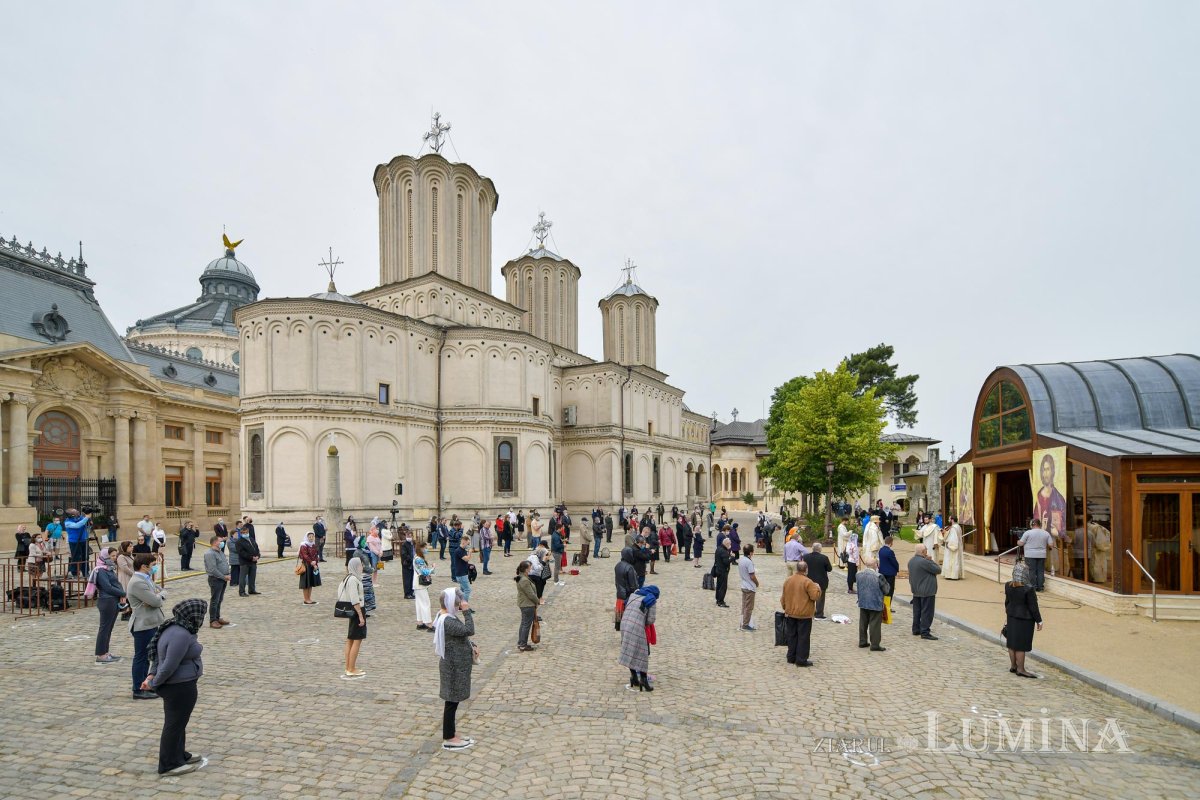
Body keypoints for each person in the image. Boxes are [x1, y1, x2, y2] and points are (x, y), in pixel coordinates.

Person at [142, 598, 207, 775]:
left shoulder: (173, 627)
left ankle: (179, 754)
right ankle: (169, 764)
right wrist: (155, 682)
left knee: (179, 722)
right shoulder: (181, 634)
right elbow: (169, 663)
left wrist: (151, 675)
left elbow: (156, 656)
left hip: (180, 683)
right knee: (174, 724)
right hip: (179, 685)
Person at [435, 587, 476, 750]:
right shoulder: (448, 621)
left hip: (455, 665)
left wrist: (471, 646)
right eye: (458, 603)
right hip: (452, 667)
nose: (460, 605)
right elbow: (469, 630)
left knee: (453, 702)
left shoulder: (446, 616)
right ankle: (449, 737)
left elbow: (460, 637)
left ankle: (451, 733)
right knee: (451, 702)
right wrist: (467, 612)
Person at [127, 553, 167, 700]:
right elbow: (156, 600)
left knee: (147, 657)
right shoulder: (138, 582)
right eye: (152, 565)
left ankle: (145, 684)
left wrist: (157, 595)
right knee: (141, 657)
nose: (154, 567)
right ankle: (138, 688)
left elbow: (157, 593)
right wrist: (160, 595)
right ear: (144, 566)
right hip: (142, 625)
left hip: (150, 622)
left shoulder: (146, 579)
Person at [1004, 561, 1043, 678]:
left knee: (1011, 643)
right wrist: (1039, 620)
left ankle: (1013, 666)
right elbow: (1033, 607)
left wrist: (1008, 613)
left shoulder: (1007, 585)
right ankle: (1021, 669)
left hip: (1011, 616)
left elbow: (1007, 602)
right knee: (1021, 645)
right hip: (1024, 619)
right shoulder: (1028, 589)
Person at [780, 561, 822, 666]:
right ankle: (801, 659)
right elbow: (815, 597)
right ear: (806, 570)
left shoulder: (788, 580)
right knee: (803, 637)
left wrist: (786, 608)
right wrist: (818, 588)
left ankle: (791, 657)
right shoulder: (808, 582)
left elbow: (783, 597)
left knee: (792, 636)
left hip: (791, 613)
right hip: (804, 614)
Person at [618, 585, 659, 691]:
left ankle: (634, 678)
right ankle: (644, 681)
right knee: (642, 653)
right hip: (636, 626)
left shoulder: (634, 595)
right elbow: (650, 620)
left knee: (630, 650)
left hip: (625, 624)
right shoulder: (651, 600)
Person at [89, 548, 125, 664]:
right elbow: (107, 587)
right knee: (104, 628)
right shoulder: (100, 571)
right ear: (105, 557)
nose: (114, 558)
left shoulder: (109, 568)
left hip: (113, 601)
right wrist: (123, 593)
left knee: (109, 628)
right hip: (107, 601)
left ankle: (105, 652)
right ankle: (100, 654)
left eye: (115, 555)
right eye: (112, 556)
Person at [338, 558, 367, 678]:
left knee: (350, 639)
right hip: (357, 610)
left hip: (352, 611)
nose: (362, 567)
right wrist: (361, 616)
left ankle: (348, 666)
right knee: (357, 640)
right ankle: (351, 668)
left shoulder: (347, 578)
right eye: (360, 565)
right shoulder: (353, 579)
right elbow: (355, 599)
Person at [908, 544, 942, 640]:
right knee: (927, 612)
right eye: (926, 550)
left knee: (917, 611)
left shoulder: (911, 561)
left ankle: (916, 629)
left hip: (916, 590)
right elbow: (938, 570)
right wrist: (930, 560)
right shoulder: (925, 562)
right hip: (927, 591)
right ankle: (925, 631)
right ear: (923, 552)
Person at [856, 556, 889, 652]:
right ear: (875, 565)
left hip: (863, 601)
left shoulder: (858, 574)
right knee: (874, 624)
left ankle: (862, 641)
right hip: (875, 602)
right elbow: (886, 590)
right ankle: (875, 644)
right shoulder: (878, 576)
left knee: (863, 623)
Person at [1017, 519, 1055, 592]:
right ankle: (1040, 587)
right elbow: (1051, 545)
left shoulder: (1027, 533)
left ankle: (1033, 587)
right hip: (1042, 555)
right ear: (1040, 524)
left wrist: (1018, 542)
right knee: (1040, 571)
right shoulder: (1046, 533)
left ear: (1032, 524)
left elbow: (1021, 543)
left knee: (1031, 571)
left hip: (1030, 555)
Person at [203, 535, 230, 629]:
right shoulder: (209, 554)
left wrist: (227, 574)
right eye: (220, 541)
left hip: (223, 579)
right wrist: (223, 576)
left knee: (219, 599)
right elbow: (212, 569)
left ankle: (217, 618)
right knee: (215, 600)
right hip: (216, 579)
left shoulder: (220, 552)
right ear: (214, 542)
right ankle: (213, 620)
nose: (222, 542)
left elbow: (224, 563)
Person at [515, 561, 541, 651]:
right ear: (526, 569)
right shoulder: (524, 580)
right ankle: (522, 644)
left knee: (524, 624)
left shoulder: (522, 577)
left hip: (525, 604)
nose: (531, 568)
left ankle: (521, 642)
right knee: (526, 625)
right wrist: (538, 601)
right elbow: (530, 594)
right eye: (530, 567)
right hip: (527, 604)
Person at [802, 543, 833, 619]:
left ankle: (808, 612)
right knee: (820, 598)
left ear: (812, 548)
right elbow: (829, 569)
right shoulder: (824, 558)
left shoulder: (805, 557)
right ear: (820, 549)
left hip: (808, 580)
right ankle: (819, 614)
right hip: (821, 580)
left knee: (808, 597)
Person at [615, 547, 640, 631]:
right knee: (628, 619)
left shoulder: (618, 565)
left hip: (619, 595)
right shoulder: (630, 568)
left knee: (621, 618)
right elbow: (633, 585)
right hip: (627, 596)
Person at [737, 544, 759, 631]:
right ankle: (745, 624)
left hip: (743, 585)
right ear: (750, 552)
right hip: (749, 587)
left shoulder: (741, 559)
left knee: (744, 605)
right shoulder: (749, 562)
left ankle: (742, 622)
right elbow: (752, 576)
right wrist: (757, 583)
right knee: (749, 607)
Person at [234, 527, 261, 596]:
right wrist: (251, 558)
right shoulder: (239, 542)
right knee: (242, 577)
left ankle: (252, 590)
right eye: (244, 533)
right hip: (245, 562)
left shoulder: (251, 539)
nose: (246, 534)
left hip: (253, 562)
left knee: (252, 577)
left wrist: (258, 555)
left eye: (247, 532)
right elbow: (241, 552)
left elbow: (256, 548)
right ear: (241, 533)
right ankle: (242, 592)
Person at [414, 543, 435, 631]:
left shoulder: (416, 557)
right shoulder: (419, 559)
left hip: (417, 583)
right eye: (425, 548)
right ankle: (429, 624)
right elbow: (424, 571)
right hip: (420, 584)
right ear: (421, 548)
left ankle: (420, 622)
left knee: (419, 603)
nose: (426, 549)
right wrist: (433, 568)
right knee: (426, 603)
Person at [64, 508, 91, 578]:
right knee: (76, 557)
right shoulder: (67, 522)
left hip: (84, 540)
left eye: (76, 510)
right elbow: (77, 525)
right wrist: (86, 518)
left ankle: (86, 572)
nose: (77, 511)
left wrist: (88, 519)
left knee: (85, 557)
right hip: (74, 542)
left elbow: (87, 524)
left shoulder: (81, 518)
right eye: (75, 511)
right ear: (72, 514)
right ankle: (75, 573)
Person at [298, 532, 321, 605]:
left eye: (312, 536)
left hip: (312, 566)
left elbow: (316, 555)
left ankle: (309, 598)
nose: (311, 538)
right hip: (306, 566)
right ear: (307, 537)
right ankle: (306, 599)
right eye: (309, 537)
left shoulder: (313, 545)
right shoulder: (303, 545)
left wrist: (315, 564)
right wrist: (311, 562)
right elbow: (305, 555)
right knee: (306, 583)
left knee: (311, 583)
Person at [116, 540, 136, 619]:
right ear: (125, 547)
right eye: (130, 546)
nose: (132, 548)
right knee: (126, 594)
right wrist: (133, 574)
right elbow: (124, 568)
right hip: (125, 577)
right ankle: (125, 613)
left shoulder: (130, 555)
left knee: (131, 594)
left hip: (131, 577)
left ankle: (130, 611)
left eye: (132, 546)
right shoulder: (121, 557)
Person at [714, 536, 735, 608]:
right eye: (730, 544)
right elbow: (726, 562)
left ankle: (718, 599)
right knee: (723, 587)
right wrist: (732, 557)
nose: (730, 546)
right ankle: (720, 601)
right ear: (727, 544)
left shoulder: (719, 548)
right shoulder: (724, 551)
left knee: (719, 586)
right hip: (722, 571)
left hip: (718, 570)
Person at [450, 534, 473, 602]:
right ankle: (464, 606)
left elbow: (464, 562)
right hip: (461, 574)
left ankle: (460, 604)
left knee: (462, 590)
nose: (468, 545)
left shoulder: (463, 550)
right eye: (467, 543)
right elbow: (466, 559)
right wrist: (470, 552)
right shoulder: (459, 551)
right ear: (464, 542)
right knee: (467, 590)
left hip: (463, 573)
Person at [400, 530, 416, 600]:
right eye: (408, 536)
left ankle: (411, 593)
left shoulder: (413, 544)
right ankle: (407, 594)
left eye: (410, 536)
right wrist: (410, 559)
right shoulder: (404, 544)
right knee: (407, 580)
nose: (409, 537)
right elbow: (404, 554)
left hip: (413, 564)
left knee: (412, 579)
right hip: (407, 564)